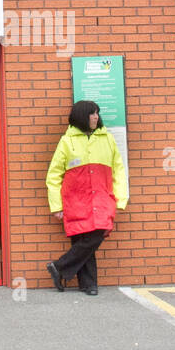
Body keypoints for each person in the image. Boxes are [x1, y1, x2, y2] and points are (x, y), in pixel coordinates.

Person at [44, 100, 127, 296]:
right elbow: (54, 175)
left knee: (96, 234)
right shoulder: (67, 142)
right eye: (92, 113)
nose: (96, 116)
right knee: (83, 240)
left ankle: (60, 267)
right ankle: (88, 285)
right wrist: (56, 206)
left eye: (97, 113)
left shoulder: (107, 139)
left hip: (102, 199)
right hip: (75, 200)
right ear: (82, 116)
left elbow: (118, 170)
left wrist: (120, 198)